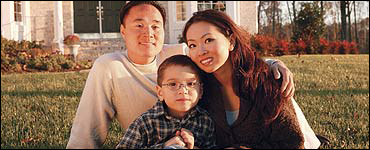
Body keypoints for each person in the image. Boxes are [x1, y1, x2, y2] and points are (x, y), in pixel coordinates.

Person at [66, 1, 297, 148]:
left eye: (156, 26)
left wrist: (270, 64)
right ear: (123, 32)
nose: (149, 32)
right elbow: (86, 131)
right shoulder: (109, 66)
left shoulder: (179, 54)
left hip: (193, 139)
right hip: (150, 141)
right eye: (139, 25)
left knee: (276, 89)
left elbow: (218, 55)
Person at [182, 10, 308, 149]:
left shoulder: (266, 81)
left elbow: (293, 143)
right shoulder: (198, 89)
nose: (201, 51)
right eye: (192, 45)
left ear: (231, 41)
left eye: (208, 40)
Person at [116, 55, 216, 149]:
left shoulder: (205, 120)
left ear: (200, 91)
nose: (183, 90)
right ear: (160, 93)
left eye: (190, 84)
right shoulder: (146, 122)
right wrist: (164, 146)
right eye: (173, 84)